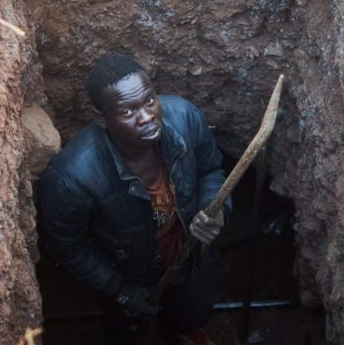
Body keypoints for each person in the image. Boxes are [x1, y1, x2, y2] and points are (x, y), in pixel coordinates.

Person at [38, 53, 230, 345]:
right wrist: (120, 290)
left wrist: (215, 210)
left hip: (190, 258)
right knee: (130, 332)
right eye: (128, 112)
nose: (147, 116)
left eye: (149, 101)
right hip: (129, 278)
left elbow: (210, 170)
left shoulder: (185, 119)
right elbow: (67, 246)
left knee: (192, 313)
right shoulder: (72, 178)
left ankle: (186, 331)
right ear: (102, 119)